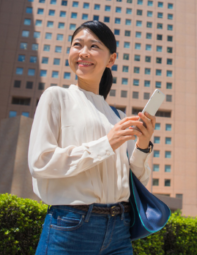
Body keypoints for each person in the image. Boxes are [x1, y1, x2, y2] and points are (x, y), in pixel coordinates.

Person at [28, 20, 155, 254]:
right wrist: (106, 144)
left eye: (94, 46)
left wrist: (143, 146)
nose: (83, 52)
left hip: (119, 228)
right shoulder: (56, 97)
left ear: (111, 60)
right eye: (77, 45)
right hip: (71, 226)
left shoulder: (117, 117)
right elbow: (40, 162)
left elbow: (134, 182)